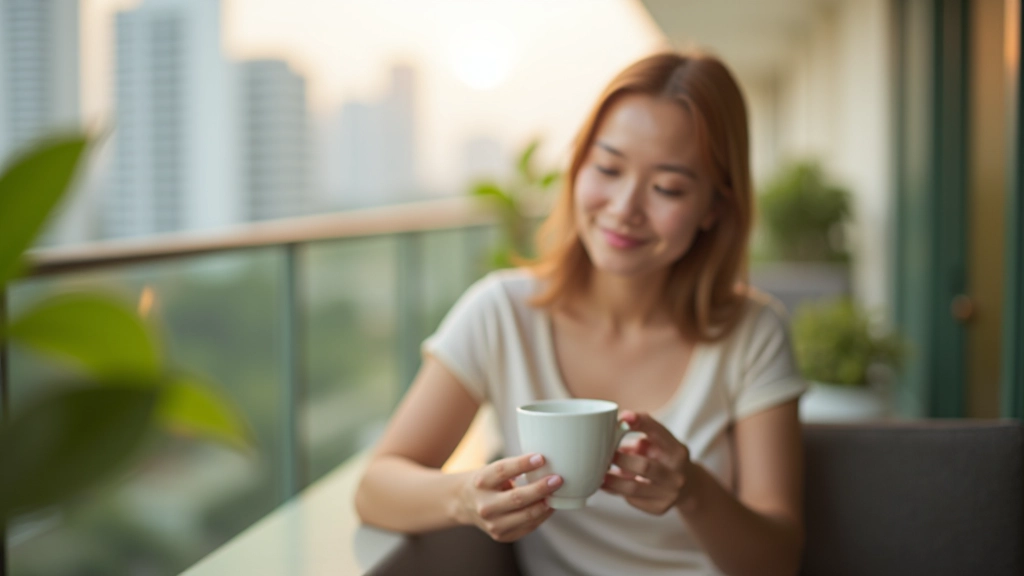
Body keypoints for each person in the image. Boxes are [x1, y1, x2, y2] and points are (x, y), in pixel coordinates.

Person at [355, 51, 807, 576]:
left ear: (714, 207)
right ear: (577, 168)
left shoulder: (752, 333)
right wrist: (464, 498)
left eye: (668, 188)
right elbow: (375, 487)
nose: (624, 207)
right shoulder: (501, 313)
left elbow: (777, 561)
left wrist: (694, 491)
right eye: (608, 168)